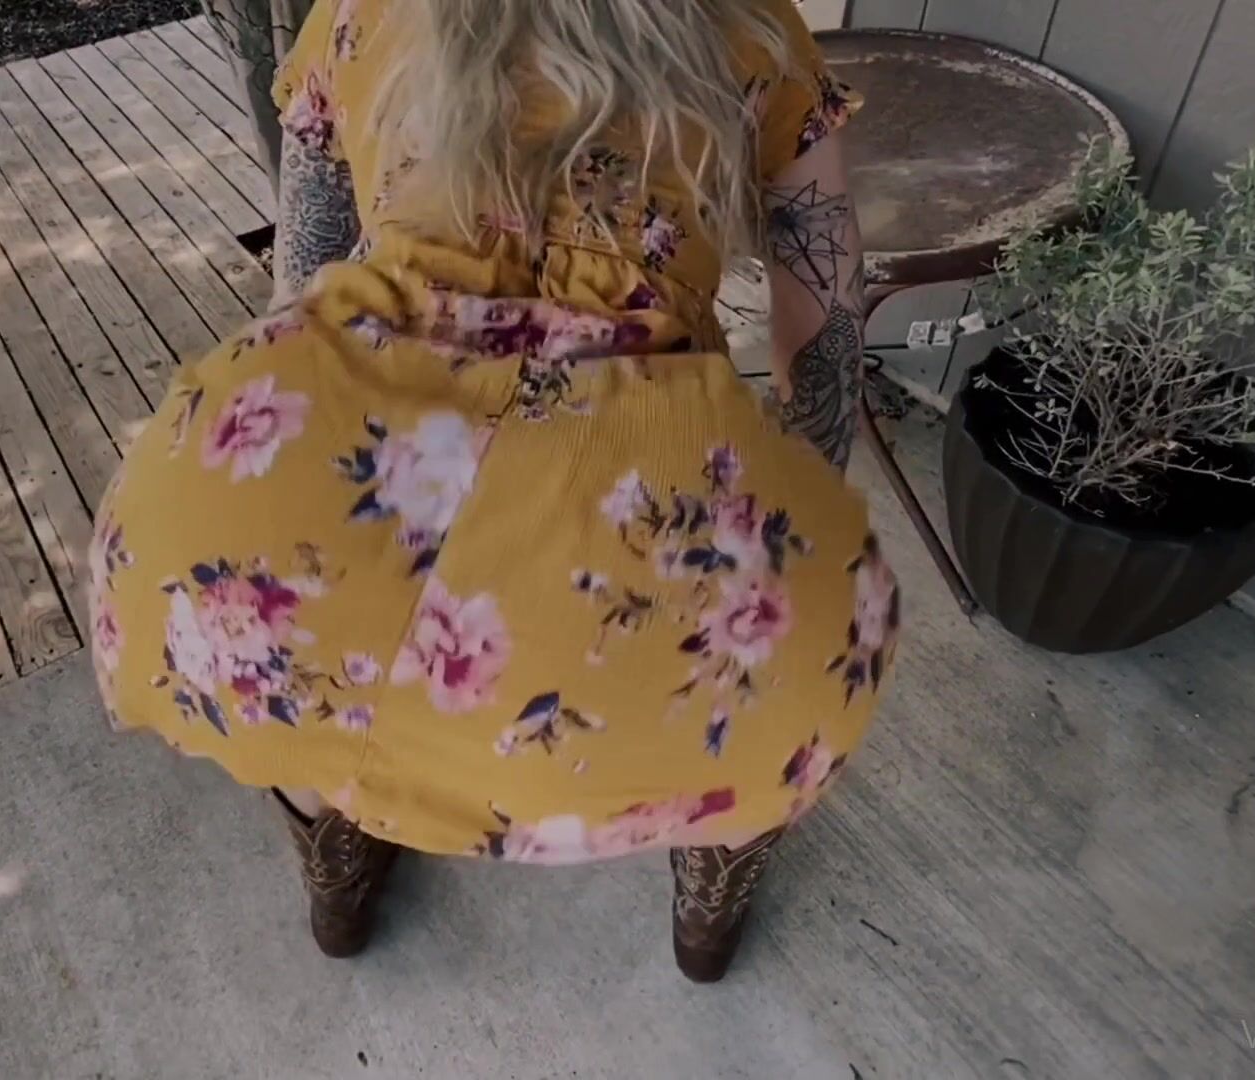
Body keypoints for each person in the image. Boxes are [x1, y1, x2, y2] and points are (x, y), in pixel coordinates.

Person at [91, 0, 899, 982]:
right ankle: (710, 885)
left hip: (314, 484)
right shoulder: (748, 23)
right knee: (785, 681)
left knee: (293, 654)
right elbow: (824, 314)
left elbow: (298, 296)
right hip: (644, 508)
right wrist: (792, 531)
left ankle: (337, 854)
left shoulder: (362, 9)